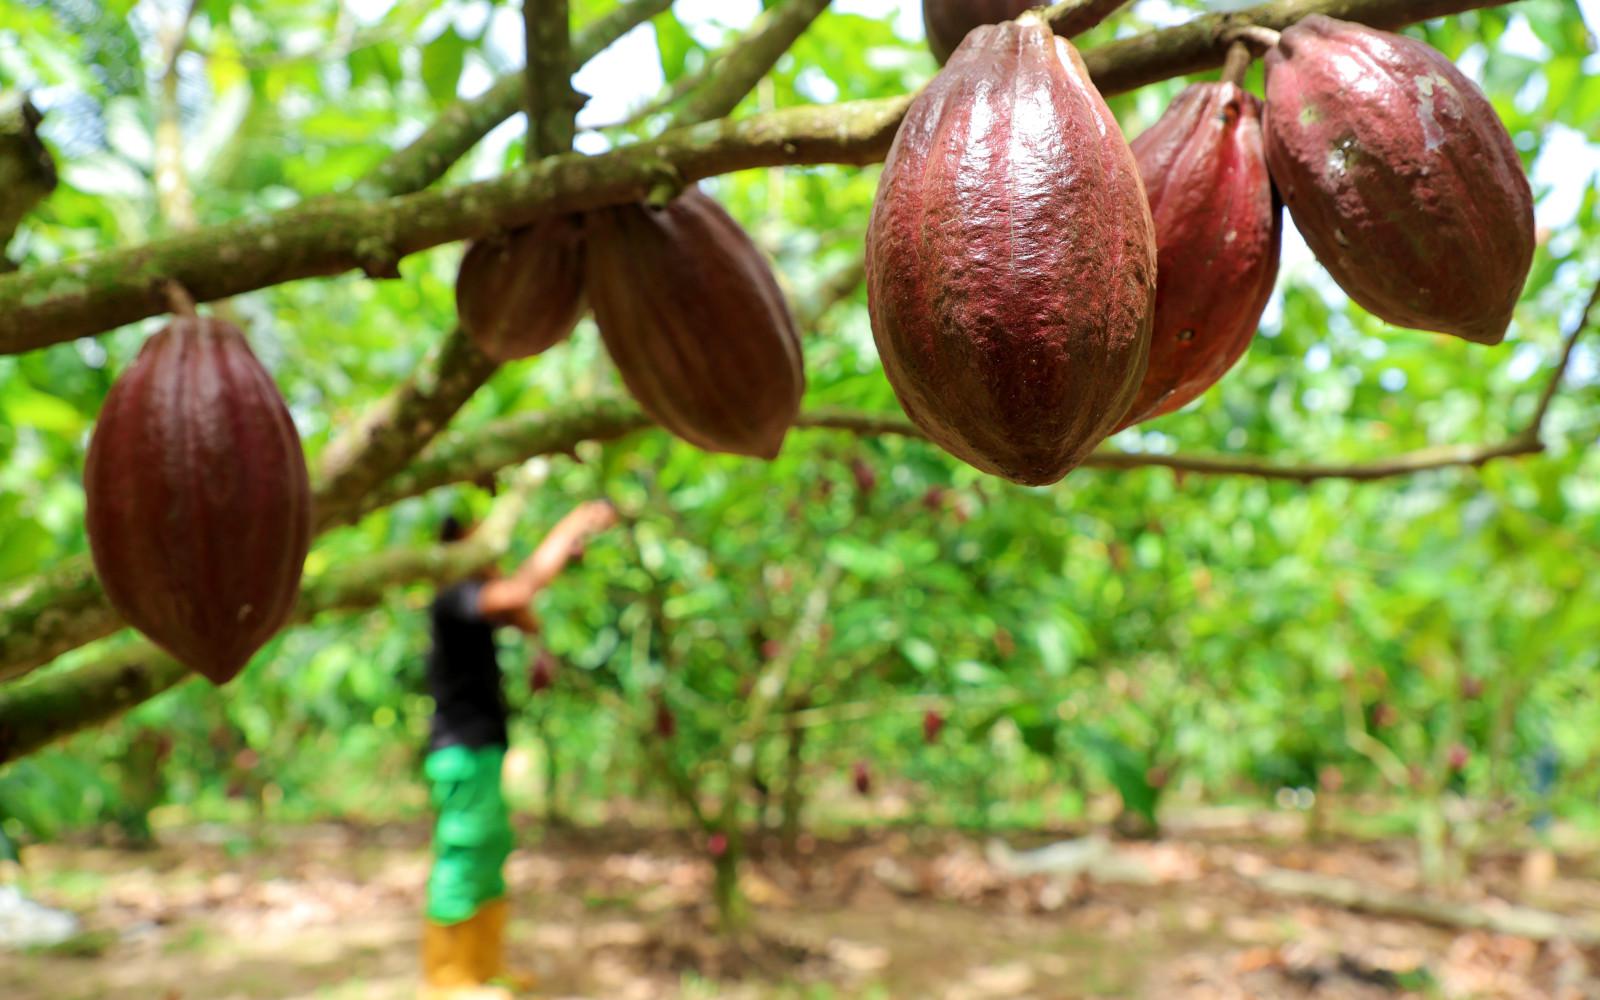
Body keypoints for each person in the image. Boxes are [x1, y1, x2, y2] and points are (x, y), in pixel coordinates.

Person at [420, 499, 617, 1000]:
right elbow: (522, 591)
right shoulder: (452, 597)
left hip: (481, 747)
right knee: (464, 852)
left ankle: (484, 967)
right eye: (482, 540)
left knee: (488, 851)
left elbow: (525, 616)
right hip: (460, 750)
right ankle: (446, 978)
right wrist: (570, 523)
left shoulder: (476, 600)